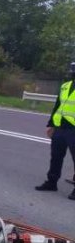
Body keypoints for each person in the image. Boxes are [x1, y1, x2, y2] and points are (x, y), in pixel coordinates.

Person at [35, 61, 75, 200]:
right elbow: (57, 106)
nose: (72, 71)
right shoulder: (65, 86)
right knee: (56, 157)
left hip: (73, 129)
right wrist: (51, 124)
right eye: (72, 69)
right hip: (60, 128)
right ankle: (51, 182)